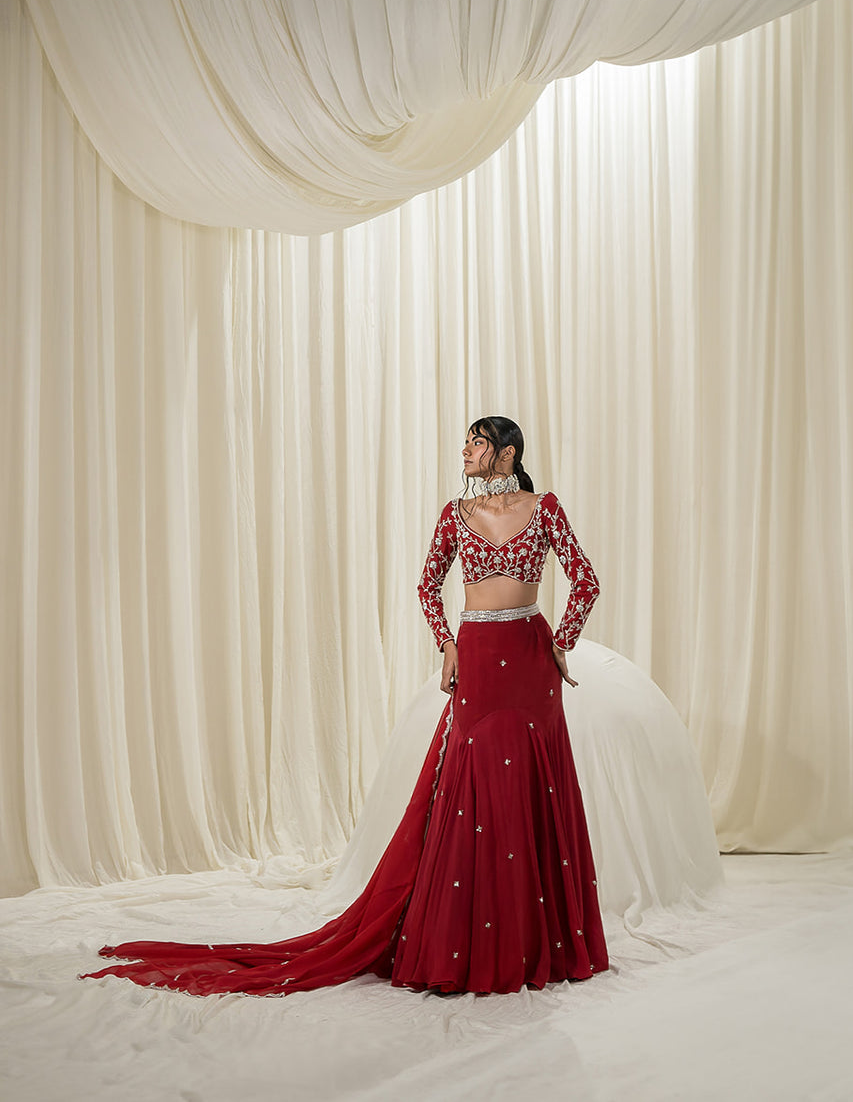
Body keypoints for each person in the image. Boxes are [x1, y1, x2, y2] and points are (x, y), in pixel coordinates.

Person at [80, 416, 609, 995]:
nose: (465, 449)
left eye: (477, 442)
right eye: (466, 440)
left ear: (506, 454)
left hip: (529, 664)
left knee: (535, 786)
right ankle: (473, 942)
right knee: (474, 790)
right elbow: (428, 586)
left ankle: (540, 943)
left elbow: (586, 579)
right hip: (480, 657)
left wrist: (561, 643)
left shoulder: (546, 507)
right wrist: (448, 644)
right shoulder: (456, 515)